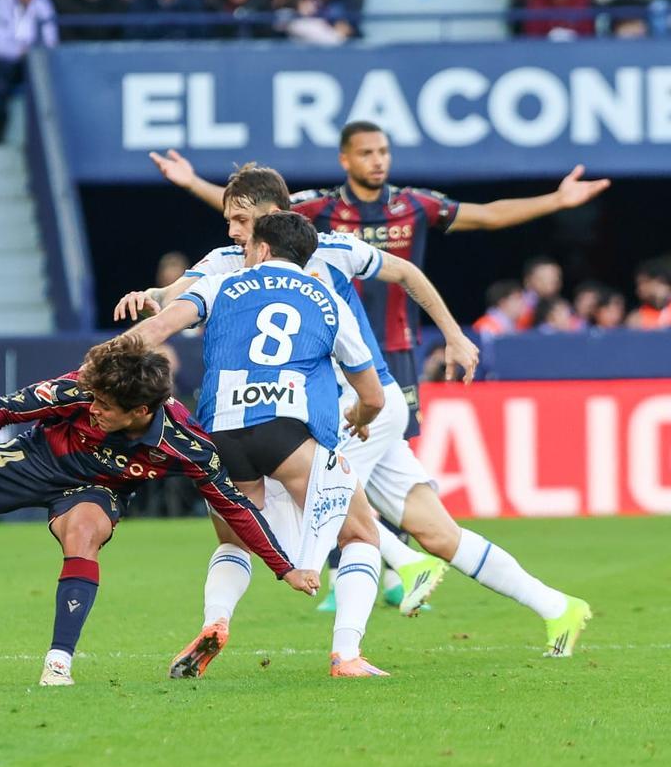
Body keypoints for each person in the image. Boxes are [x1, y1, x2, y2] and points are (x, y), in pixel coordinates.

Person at [125, 163, 592, 664]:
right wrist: (149, 296)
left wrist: (454, 335)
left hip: (358, 406)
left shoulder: (332, 248)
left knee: (313, 518)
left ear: (274, 215)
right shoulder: (225, 260)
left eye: (241, 220)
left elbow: (407, 272)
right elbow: (174, 294)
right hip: (336, 409)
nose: (233, 231)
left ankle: (395, 575)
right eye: (229, 221)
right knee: (437, 532)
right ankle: (558, 607)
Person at [0, 336, 314, 686]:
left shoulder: (185, 444)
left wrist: (285, 568)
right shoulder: (81, 388)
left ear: (140, 412)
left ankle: (58, 661)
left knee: (84, 534)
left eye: (105, 406)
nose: (93, 407)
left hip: (94, 489)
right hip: (32, 461)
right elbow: (4, 408)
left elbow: (236, 508)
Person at [150, 120, 610, 442]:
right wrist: (193, 183)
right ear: (345, 158)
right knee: (348, 458)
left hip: (395, 346)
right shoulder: (318, 208)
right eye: (367, 152)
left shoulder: (412, 205)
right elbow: (253, 209)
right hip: (334, 350)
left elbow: (487, 215)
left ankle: (377, 550)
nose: (377, 160)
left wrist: (556, 200)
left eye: (384, 152)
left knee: (391, 452)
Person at [124, 211, 392, 677]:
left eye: (248, 246)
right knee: (360, 534)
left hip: (220, 435)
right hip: (287, 432)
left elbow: (155, 331)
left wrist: (97, 366)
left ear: (263, 248)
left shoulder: (221, 284)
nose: (243, 252)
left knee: (235, 541)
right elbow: (372, 396)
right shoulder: (328, 299)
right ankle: (346, 654)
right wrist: (359, 417)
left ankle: (215, 620)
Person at [0, 0, 58, 144]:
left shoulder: (43, 4)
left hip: (33, 60)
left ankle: (41, 137)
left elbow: (51, 40)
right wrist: (21, 51)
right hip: (6, 61)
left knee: (44, 75)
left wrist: (29, 53)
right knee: (0, 79)